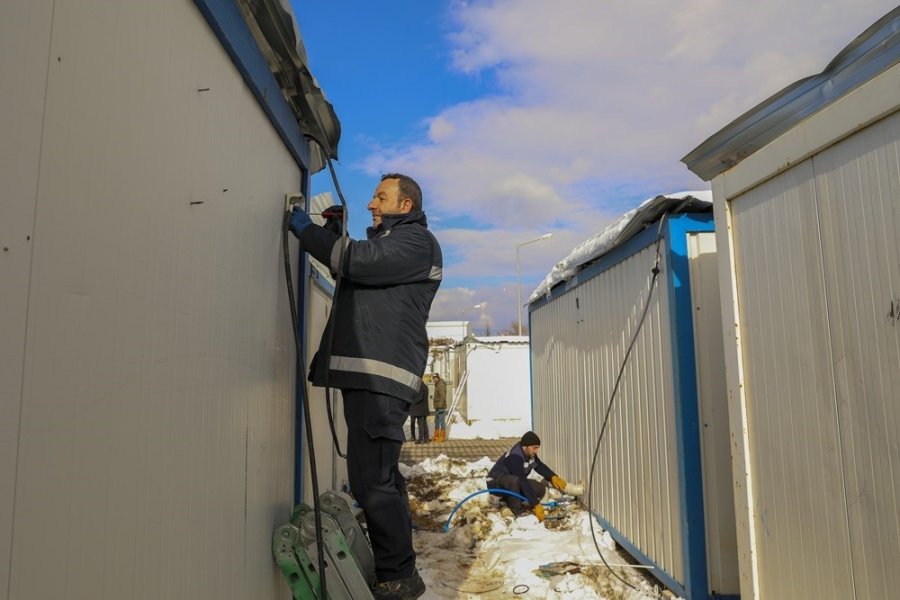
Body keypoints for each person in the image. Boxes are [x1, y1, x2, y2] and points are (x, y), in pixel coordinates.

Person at [289, 173, 441, 600]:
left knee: (372, 482)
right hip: (372, 379)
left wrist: (307, 230)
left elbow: (357, 261)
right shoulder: (392, 245)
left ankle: (399, 576)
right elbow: (356, 271)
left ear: (405, 206)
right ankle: (399, 569)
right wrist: (334, 236)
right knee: (380, 479)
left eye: (381, 197)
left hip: (381, 380)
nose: (371, 204)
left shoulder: (416, 242)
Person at [486, 431, 567, 522]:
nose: (536, 451)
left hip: (512, 483)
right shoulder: (514, 457)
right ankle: (518, 513)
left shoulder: (529, 454)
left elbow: (539, 466)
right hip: (495, 484)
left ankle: (509, 501)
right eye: (534, 448)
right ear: (526, 446)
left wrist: (553, 477)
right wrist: (536, 504)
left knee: (539, 488)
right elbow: (522, 480)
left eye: (537, 448)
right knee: (514, 480)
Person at [409, 380, 430, 444]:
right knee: (424, 424)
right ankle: (426, 438)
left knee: (420, 424)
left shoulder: (420, 386)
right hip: (424, 409)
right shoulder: (425, 386)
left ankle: (421, 439)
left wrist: (413, 401)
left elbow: (420, 397)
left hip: (420, 409)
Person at [431, 373, 447, 442]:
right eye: (433, 378)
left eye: (435, 378)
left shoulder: (441, 385)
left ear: (438, 378)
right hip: (437, 407)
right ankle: (437, 436)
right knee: (437, 421)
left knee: (441, 421)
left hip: (441, 407)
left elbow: (443, 396)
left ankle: (442, 437)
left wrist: (440, 406)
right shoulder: (437, 385)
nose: (434, 379)